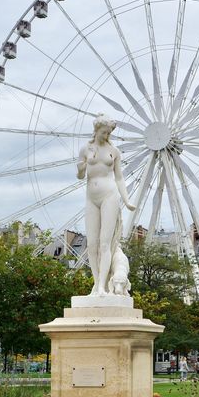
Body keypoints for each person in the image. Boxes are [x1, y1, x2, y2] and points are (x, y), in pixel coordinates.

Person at [77, 114, 135, 296]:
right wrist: (80, 168)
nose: (106, 136)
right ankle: (96, 284)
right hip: (91, 197)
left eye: (109, 133)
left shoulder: (114, 151)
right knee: (92, 245)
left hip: (110, 195)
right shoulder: (85, 149)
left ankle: (102, 285)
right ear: (96, 131)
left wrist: (126, 200)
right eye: (104, 132)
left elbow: (119, 177)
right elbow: (80, 175)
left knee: (105, 244)